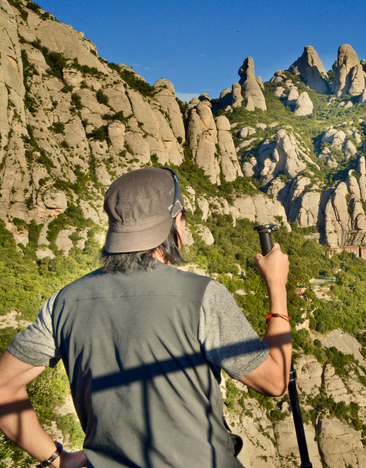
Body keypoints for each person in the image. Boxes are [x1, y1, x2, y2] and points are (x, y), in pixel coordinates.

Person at [0, 168, 291, 467]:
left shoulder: (62, 303)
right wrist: (277, 285)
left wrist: (58, 459)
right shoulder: (202, 295)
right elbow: (274, 380)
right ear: (177, 222)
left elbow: (3, 387)